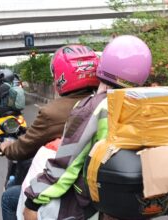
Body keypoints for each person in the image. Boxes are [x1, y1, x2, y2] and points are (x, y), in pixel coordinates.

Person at [23, 35, 152, 220]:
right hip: (136, 201)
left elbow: (67, 163)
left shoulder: (94, 107)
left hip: (94, 203)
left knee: (12, 200)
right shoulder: (146, 106)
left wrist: (32, 201)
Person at [0, 44, 100, 220]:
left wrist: (7, 147)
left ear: (61, 76)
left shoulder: (52, 112)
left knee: (9, 197)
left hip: (73, 191)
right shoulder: (107, 103)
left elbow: (23, 148)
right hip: (99, 190)